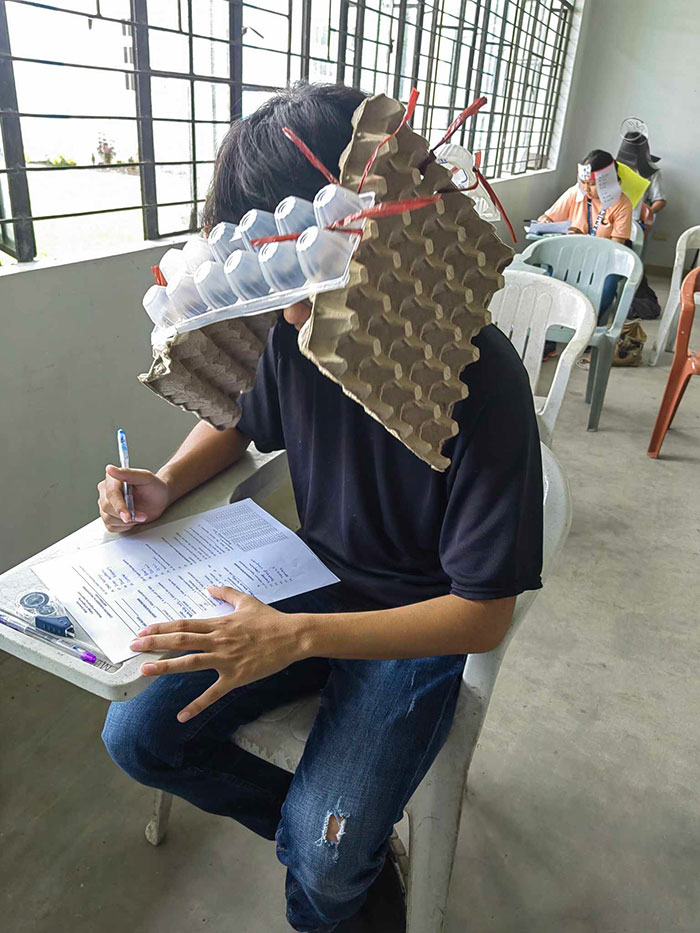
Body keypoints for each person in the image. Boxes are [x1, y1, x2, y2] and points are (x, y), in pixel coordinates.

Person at [98, 82, 543, 933]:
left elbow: (481, 616)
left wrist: (295, 636)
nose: (288, 303)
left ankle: (340, 871)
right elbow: (240, 428)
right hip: (310, 577)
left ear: (370, 222)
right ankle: (342, 854)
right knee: (141, 739)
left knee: (328, 851)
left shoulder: (480, 377)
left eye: (297, 267)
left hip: (421, 616)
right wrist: (162, 479)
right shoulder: (303, 338)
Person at [538, 149, 633, 243]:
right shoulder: (576, 192)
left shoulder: (622, 205)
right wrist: (546, 223)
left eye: (591, 184)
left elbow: (616, 247)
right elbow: (546, 217)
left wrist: (582, 239)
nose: (586, 189)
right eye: (583, 182)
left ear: (607, 182)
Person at [616, 127, 666, 230]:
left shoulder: (651, 172)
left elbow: (660, 200)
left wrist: (648, 213)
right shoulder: (614, 168)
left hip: (635, 221)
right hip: (612, 217)